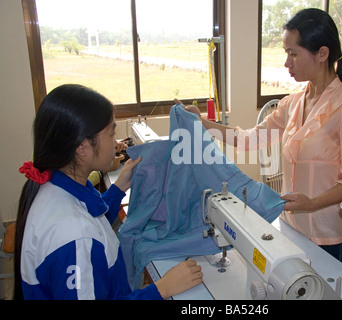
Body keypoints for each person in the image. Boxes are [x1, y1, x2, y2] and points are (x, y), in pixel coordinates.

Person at [183, 8, 342, 267]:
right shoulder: (292, 104)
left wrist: (312, 203)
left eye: (293, 54)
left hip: (327, 237)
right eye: (286, 53)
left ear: (322, 54)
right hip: (290, 226)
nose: (287, 62)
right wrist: (202, 123)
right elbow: (249, 139)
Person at [14, 84, 203, 300]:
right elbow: (84, 231)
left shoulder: (56, 185)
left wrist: (118, 188)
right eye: (111, 133)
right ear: (82, 147)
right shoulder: (76, 238)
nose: (116, 143)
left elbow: (94, 218)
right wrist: (161, 289)